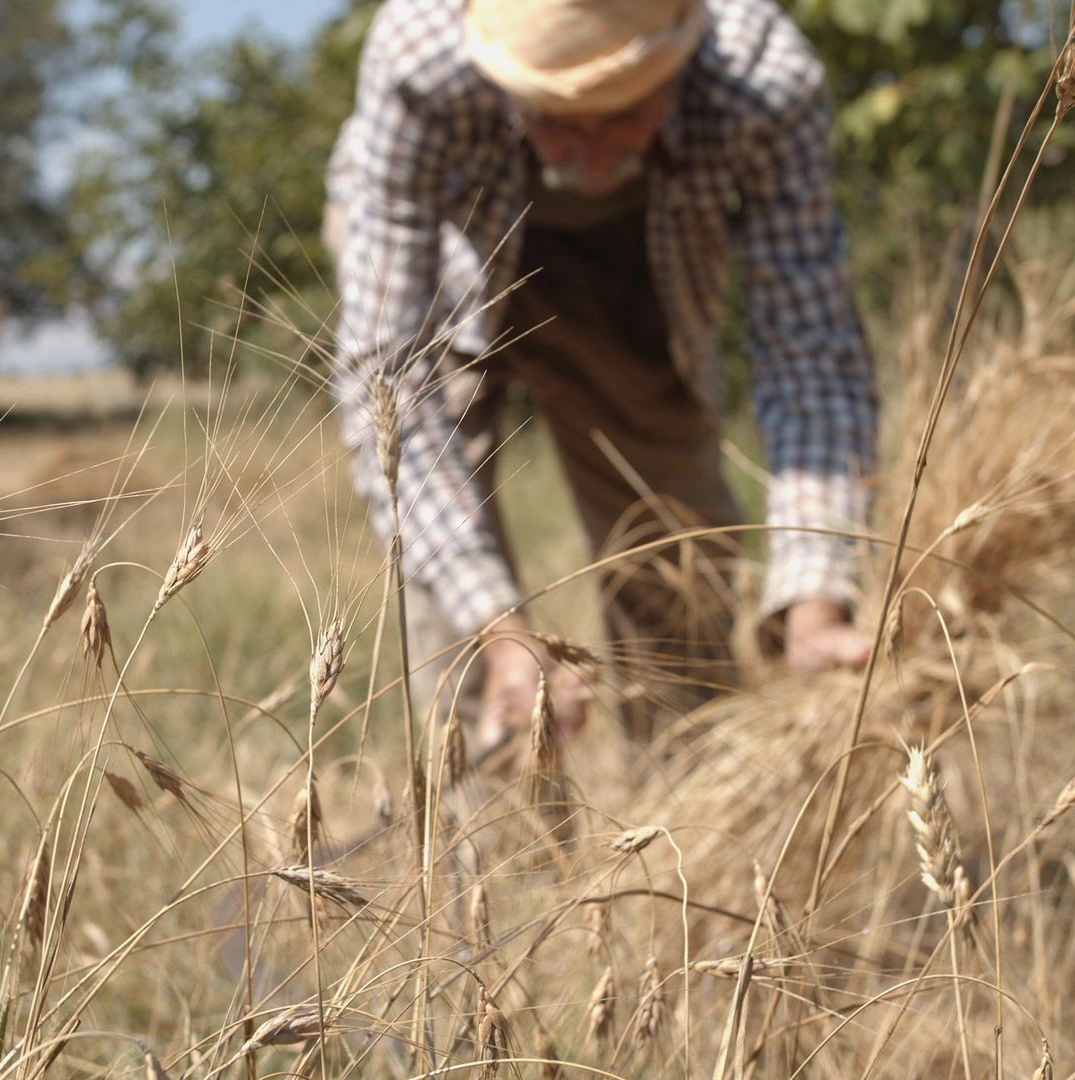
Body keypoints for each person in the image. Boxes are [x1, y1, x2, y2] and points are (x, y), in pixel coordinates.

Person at [326, 0, 879, 752]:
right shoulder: (421, 59)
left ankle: (691, 830)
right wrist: (499, 627)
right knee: (453, 630)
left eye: (620, 116)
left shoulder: (762, 81)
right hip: (443, 271)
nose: (587, 160)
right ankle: (488, 835)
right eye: (555, 118)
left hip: (638, 269)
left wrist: (817, 594)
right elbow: (389, 374)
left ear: (677, 62)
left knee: (680, 573)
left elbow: (809, 344)